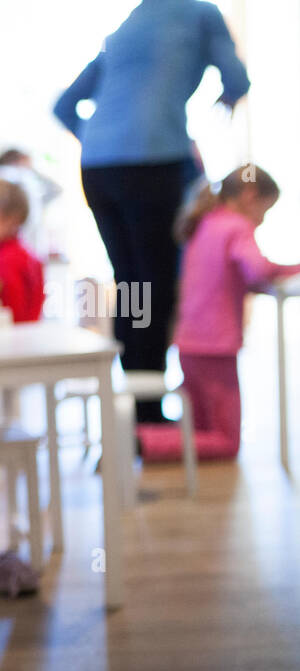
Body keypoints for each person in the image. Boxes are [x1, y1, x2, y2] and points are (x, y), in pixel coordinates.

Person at [53, 0, 250, 424]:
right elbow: (237, 78)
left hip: (99, 169)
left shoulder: (126, 26)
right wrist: (224, 102)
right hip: (153, 165)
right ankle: (148, 409)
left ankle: (137, 399)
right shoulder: (202, 14)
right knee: (155, 283)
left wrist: (101, 139)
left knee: (130, 282)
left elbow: (65, 106)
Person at [137, 165, 300, 463]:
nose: (262, 221)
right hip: (216, 348)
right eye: (265, 211)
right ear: (250, 196)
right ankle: (142, 442)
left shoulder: (204, 223)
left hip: (188, 343)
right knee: (227, 441)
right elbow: (259, 269)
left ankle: (141, 437)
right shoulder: (236, 227)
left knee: (199, 428)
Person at [0, 179, 45, 325]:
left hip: (16, 343)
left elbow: (12, 317)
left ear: (11, 220)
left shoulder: (7, 261)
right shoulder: (12, 254)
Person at [0, 148, 62, 263]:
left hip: (29, 241)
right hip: (20, 240)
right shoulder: (9, 177)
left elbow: (56, 190)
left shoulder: (25, 180)